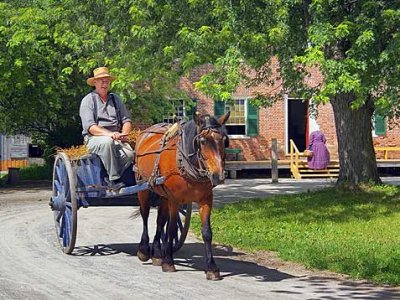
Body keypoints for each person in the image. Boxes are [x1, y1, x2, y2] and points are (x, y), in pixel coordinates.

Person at [79, 67, 134, 188]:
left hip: (116, 137)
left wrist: (124, 134)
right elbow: (90, 127)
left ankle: (119, 176)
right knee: (108, 142)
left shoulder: (116, 99)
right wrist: (110, 134)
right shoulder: (88, 101)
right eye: (101, 81)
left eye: (107, 81)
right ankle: (113, 179)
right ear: (95, 83)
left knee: (130, 154)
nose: (105, 84)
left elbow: (126, 120)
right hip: (93, 138)